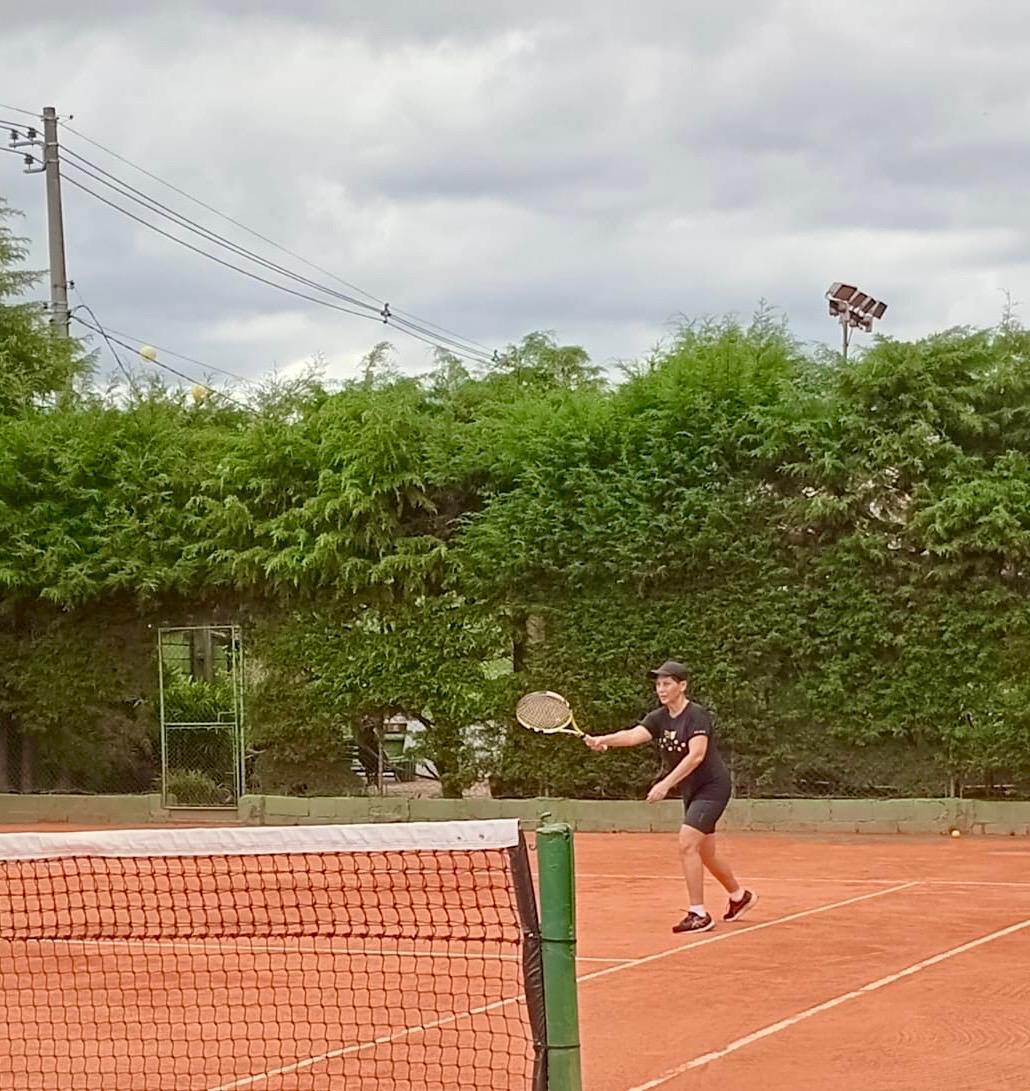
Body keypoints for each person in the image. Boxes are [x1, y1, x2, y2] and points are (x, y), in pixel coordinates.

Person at [584, 660, 757, 933]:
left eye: (666, 684)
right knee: (706, 852)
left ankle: (698, 913)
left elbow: (696, 755)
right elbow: (632, 736)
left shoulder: (696, 715)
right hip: (692, 790)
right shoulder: (659, 718)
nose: (661, 689)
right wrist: (603, 740)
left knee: (687, 843)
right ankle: (739, 896)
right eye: (658, 684)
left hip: (712, 787)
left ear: (682, 686)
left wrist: (665, 784)